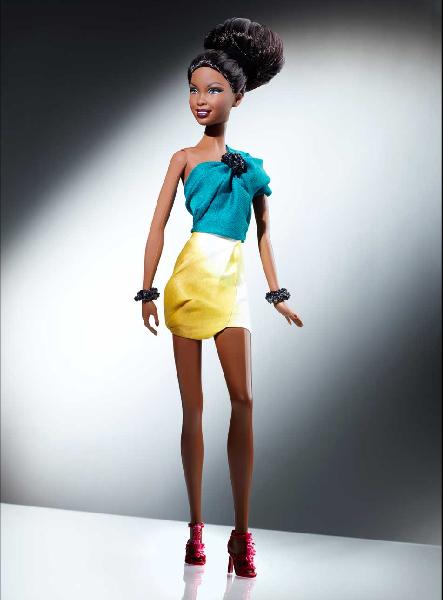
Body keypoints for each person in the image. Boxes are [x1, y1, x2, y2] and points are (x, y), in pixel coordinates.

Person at [134, 17, 303, 578]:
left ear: (238, 97)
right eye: (193, 89)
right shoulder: (182, 159)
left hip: (230, 286)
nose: (200, 100)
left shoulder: (251, 169)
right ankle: (196, 530)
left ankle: (242, 535)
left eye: (213, 90)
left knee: (244, 399)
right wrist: (147, 290)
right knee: (193, 408)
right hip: (188, 282)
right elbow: (157, 226)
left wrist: (277, 294)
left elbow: (264, 236)